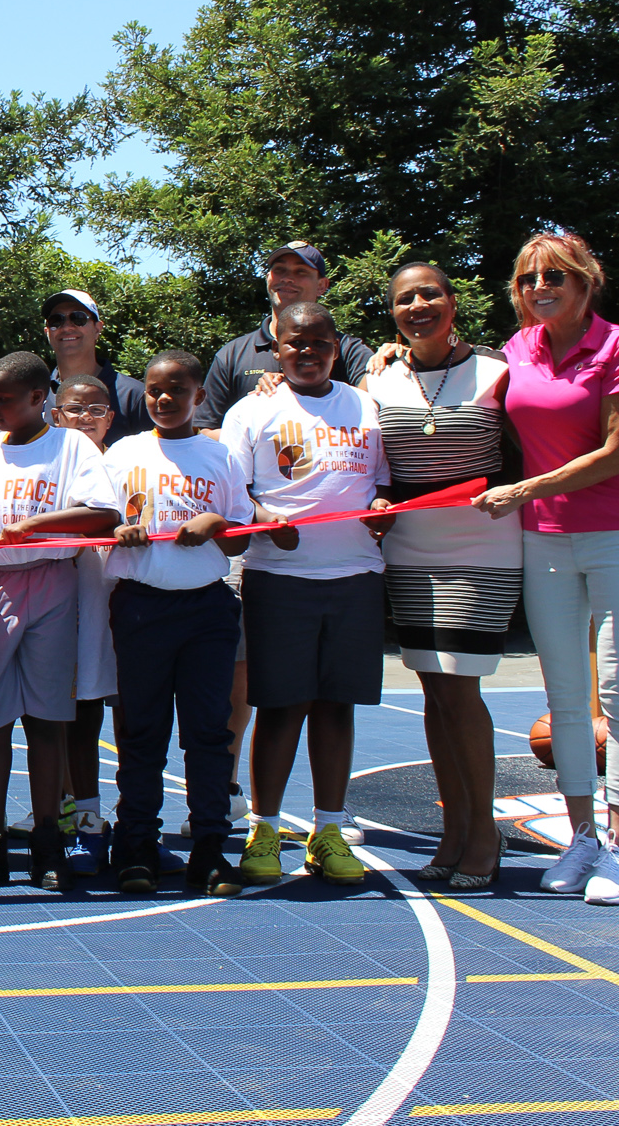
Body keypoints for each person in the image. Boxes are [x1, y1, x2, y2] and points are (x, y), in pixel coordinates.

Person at [478, 232, 619, 905]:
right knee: (563, 696)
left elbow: (618, 453)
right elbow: (454, 378)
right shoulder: (517, 350)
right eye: (527, 277)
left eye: (554, 275)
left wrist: (522, 490)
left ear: (586, 282)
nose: (539, 286)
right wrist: (383, 356)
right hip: (547, 539)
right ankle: (580, 837)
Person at [359, 264, 523, 888]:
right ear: (393, 314)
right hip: (409, 550)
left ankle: (484, 834)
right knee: (432, 694)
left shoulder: (496, 369)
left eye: (430, 294)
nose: (419, 304)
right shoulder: (378, 375)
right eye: (405, 299)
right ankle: (455, 831)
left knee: (461, 690)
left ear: (453, 303)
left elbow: (539, 443)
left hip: (483, 545)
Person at [221, 302, 392, 888]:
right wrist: (265, 516)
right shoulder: (253, 409)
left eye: (320, 341)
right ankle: (265, 828)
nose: (309, 351)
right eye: (297, 342)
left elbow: (384, 484)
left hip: (356, 575)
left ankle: (328, 830)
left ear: (336, 346)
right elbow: (235, 493)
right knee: (280, 707)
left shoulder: (365, 405)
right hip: (279, 580)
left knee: (336, 706)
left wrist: (379, 509)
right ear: (278, 345)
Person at [0, 353, 121, 892]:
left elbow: (104, 513)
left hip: (50, 583)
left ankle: (49, 842)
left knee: (47, 719)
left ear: (41, 396)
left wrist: (38, 524)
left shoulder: (70, 447)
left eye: (6, 399)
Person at [103, 349, 254, 897]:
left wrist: (217, 523)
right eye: (153, 390)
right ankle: (136, 844)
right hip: (141, 605)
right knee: (141, 732)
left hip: (207, 609)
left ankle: (210, 848)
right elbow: (102, 517)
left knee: (209, 732)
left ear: (197, 395)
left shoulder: (220, 457)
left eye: (176, 390)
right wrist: (122, 529)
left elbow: (241, 530)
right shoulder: (123, 452)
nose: (164, 399)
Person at [48, 373, 118, 874]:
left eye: (96, 410)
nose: (86, 419)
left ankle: (136, 823)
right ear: (56, 415)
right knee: (76, 714)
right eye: (75, 410)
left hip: (129, 602)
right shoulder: (51, 461)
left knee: (138, 721)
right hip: (69, 604)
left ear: (111, 416)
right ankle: (79, 816)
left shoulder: (130, 460)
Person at [196, 242, 373, 430]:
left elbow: (373, 404)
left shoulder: (349, 350)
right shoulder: (232, 355)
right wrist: (257, 442)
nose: (287, 278)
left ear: (322, 285)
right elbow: (205, 429)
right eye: (279, 270)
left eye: (301, 272)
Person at [42, 290, 147, 444]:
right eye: (56, 321)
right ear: (47, 332)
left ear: (98, 328)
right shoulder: (37, 396)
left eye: (78, 318)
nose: (67, 327)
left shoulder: (134, 396)